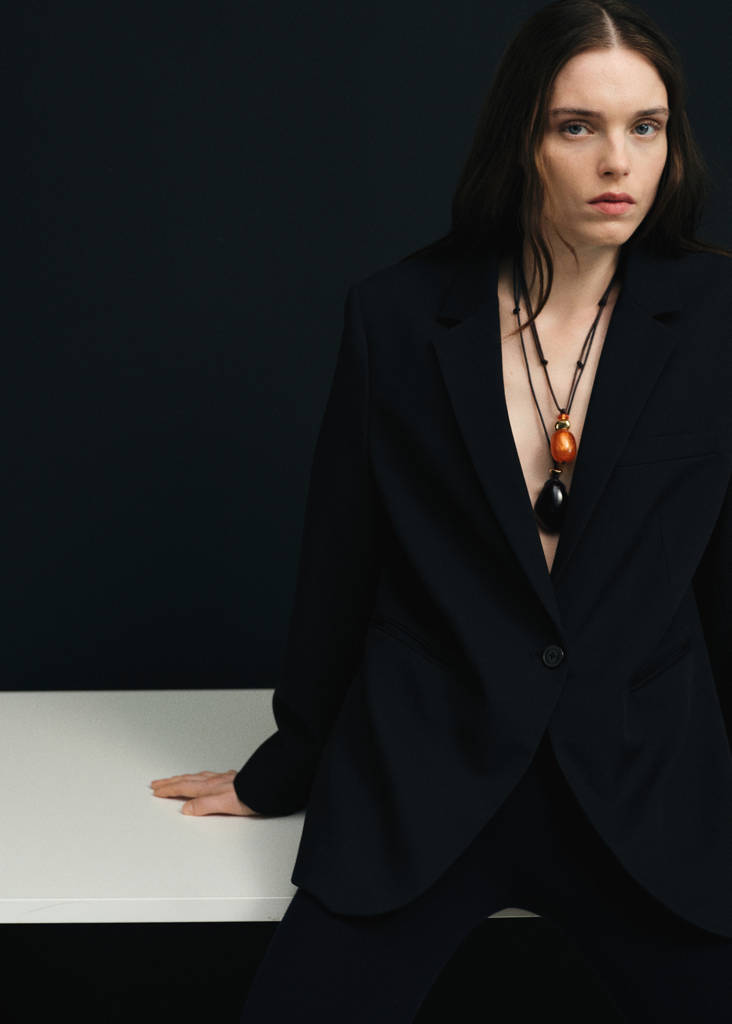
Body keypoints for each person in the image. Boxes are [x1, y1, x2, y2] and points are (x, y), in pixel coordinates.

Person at [150, 1, 732, 1020]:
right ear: (521, 138)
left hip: (644, 791)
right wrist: (289, 762)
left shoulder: (718, 319)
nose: (618, 161)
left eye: (646, 126)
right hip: (424, 787)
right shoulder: (400, 315)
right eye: (577, 126)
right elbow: (343, 559)